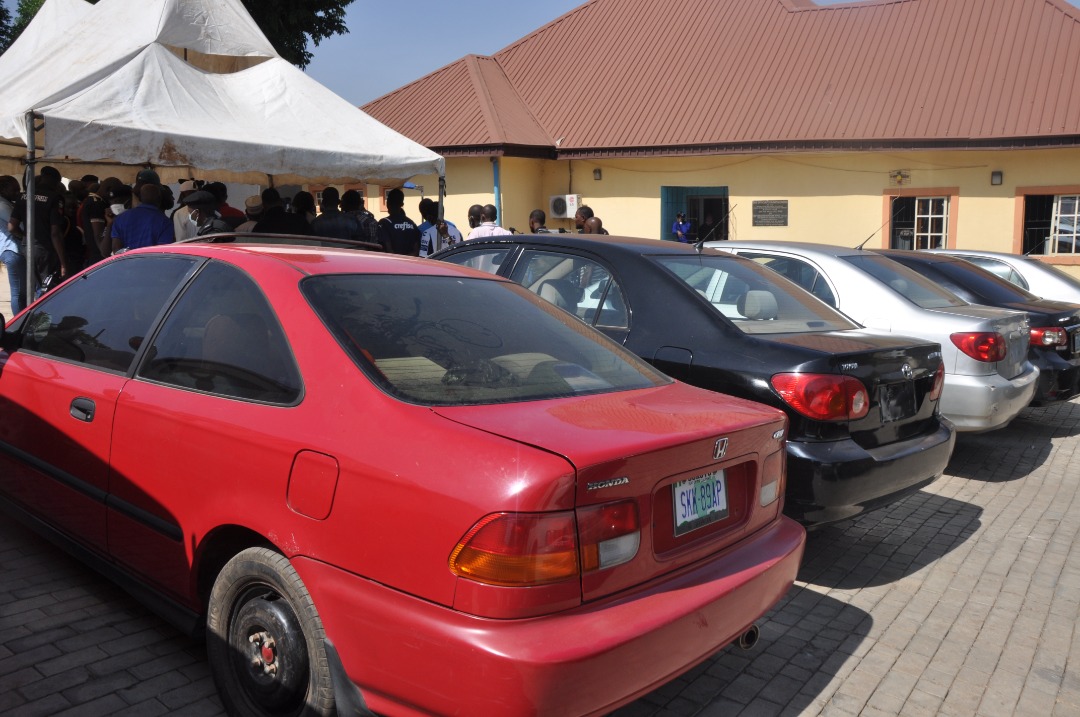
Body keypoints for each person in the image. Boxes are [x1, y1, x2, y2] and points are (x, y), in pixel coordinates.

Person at [8, 165, 66, 294]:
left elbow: (11, 227)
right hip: (46, 249)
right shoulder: (54, 198)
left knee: (34, 287)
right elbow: (55, 233)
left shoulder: (23, 196)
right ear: (55, 181)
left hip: (27, 247)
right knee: (48, 288)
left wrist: (26, 237)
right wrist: (63, 262)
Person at [111, 184, 174, 253]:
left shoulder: (120, 219)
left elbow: (116, 249)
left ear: (140, 198)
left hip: (127, 259)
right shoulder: (165, 222)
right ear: (159, 198)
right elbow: (163, 251)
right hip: (152, 259)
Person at [0, 175, 26, 314]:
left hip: (13, 250)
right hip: (13, 250)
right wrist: (24, 237)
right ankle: (19, 321)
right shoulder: (2, 205)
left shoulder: (7, 203)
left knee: (22, 292)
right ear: (3, 190)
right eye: (14, 190)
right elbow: (18, 225)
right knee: (18, 293)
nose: (17, 193)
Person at [377, 188, 421, 255]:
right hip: (409, 260)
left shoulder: (384, 223)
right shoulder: (412, 223)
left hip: (392, 260)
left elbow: (388, 249)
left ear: (387, 203)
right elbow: (416, 250)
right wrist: (406, 259)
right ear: (402, 204)